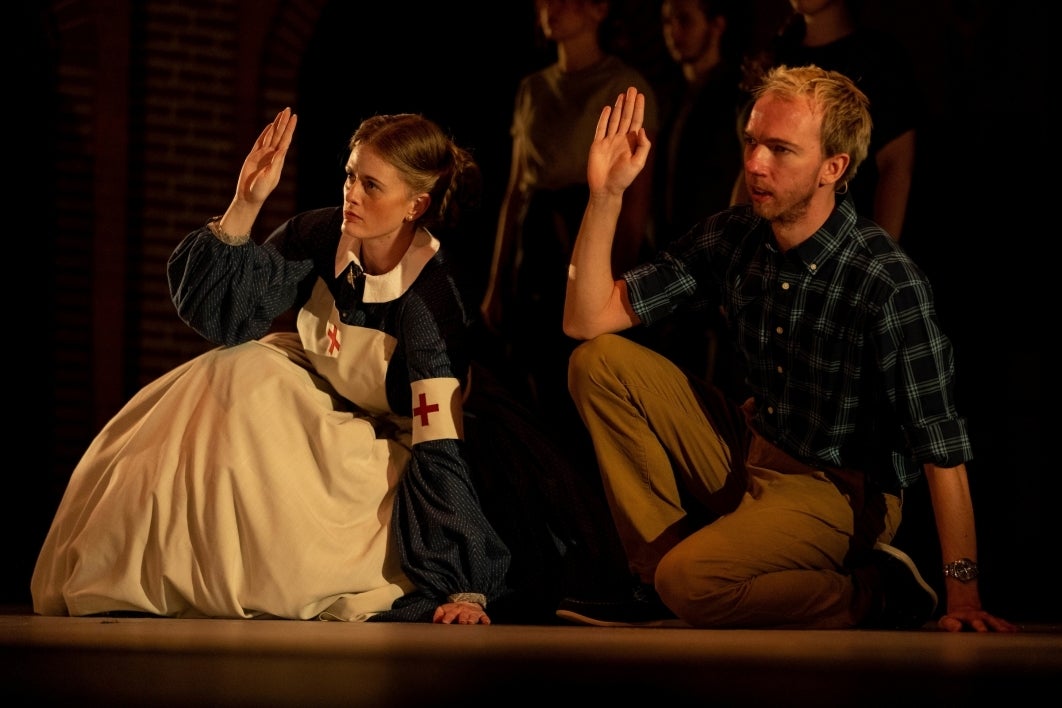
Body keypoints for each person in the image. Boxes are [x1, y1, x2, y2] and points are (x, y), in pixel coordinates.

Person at [556, 69, 1018, 632]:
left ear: (834, 167)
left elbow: (941, 446)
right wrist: (607, 194)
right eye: (752, 142)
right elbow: (586, 320)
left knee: (692, 584)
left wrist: (963, 596)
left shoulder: (885, 281)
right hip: (754, 447)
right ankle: (653, 582)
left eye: (781, 150)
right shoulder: (737, 235)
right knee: (599, 362)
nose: (755, 163)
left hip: (838, 491)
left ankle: (875, 593)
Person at [32, 108, 516, 625]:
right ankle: (136, 563)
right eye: (351, 175)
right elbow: (228, 315)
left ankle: (235, 575)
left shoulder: (432, 302)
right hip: (317, 390)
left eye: (371, 185)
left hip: (392, 440)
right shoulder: (321, 234)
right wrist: (247, 201)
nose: (352, 193)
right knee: (228, 372)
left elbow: (438, 444)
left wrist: (465, 586)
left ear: (415, 205)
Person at [478, 0, 659, 458]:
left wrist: (620, 278)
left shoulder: (624, 85)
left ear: (599, 9)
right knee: (529, 376)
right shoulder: (533, 88)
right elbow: (517, 190)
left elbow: (636, 197)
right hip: (535, 245)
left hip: (586, 231)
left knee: (577, 380)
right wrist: (497, 283)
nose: (549, 7)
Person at [734, 0, 922, 240]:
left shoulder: (877, 59)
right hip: (767, 246)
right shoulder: (774, 56)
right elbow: (748, 165)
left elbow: (896, 166)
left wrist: (877, 260)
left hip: (840, 245)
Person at [645, 0, 753, 390]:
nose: (674, 30)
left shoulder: (736, 96)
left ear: (717, 24)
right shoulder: (671, 92)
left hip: (716, 256)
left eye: (685, 19)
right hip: (677, 256)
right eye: (668, 20)